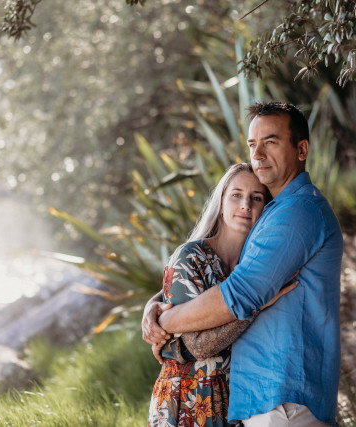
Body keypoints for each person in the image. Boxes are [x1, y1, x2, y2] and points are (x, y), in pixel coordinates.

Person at [144, 102, 343, 426]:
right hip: (260, 402)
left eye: (271, 142)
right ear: (221, 202)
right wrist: (154, 305)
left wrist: (164, 321)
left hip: (283, 400)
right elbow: (213, 280)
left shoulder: (298, 212)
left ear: (302, 149)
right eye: (253, 144)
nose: (258, 154)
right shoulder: (277, 213)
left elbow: (238, 294)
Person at [147, 163, 295, 427]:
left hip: (237, 398)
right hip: (188, 399)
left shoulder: (256, 266)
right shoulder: (191, 257)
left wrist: (151, 306)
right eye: (236, 195)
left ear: (266, 208)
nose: (246, 205)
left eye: (256, 198)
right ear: (222, 202)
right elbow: (199, 346)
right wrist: (255, 307)